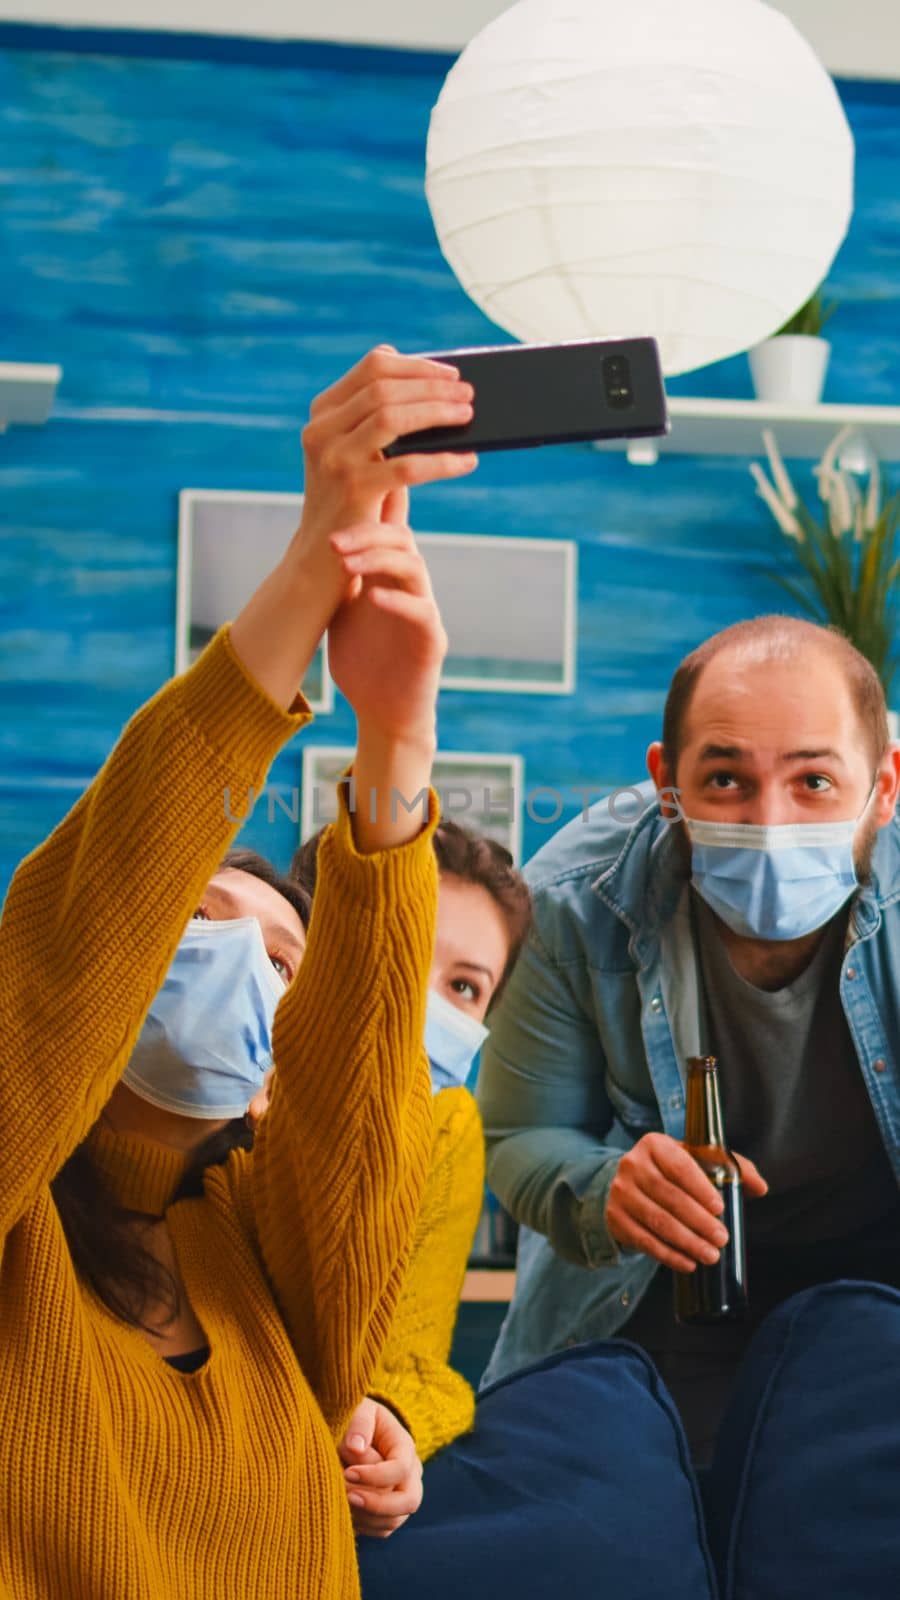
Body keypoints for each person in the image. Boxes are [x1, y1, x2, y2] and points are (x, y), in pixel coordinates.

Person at [0, 346, 481, 1598]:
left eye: (283, 960)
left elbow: (366, 1111)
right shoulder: (18, 1233)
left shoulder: (281, 1266)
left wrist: (396, 749)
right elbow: (70, 931)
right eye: (198, 919)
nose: (242, 971)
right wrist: (312, 565)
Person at [477, 614, 900, 1464]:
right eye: (726, 780)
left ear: (885, 786)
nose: (771, 824)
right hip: (663, 1299)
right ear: (667, 783)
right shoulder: (570, 900)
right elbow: (518, 1136)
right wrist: (606, 1189)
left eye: (813, 781)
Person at [288, 820, 532, 1462]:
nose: (416, 999)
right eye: (403, 943)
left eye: (464, 987)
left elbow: (410, 1365)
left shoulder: (446, 1127)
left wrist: (389, 1429)